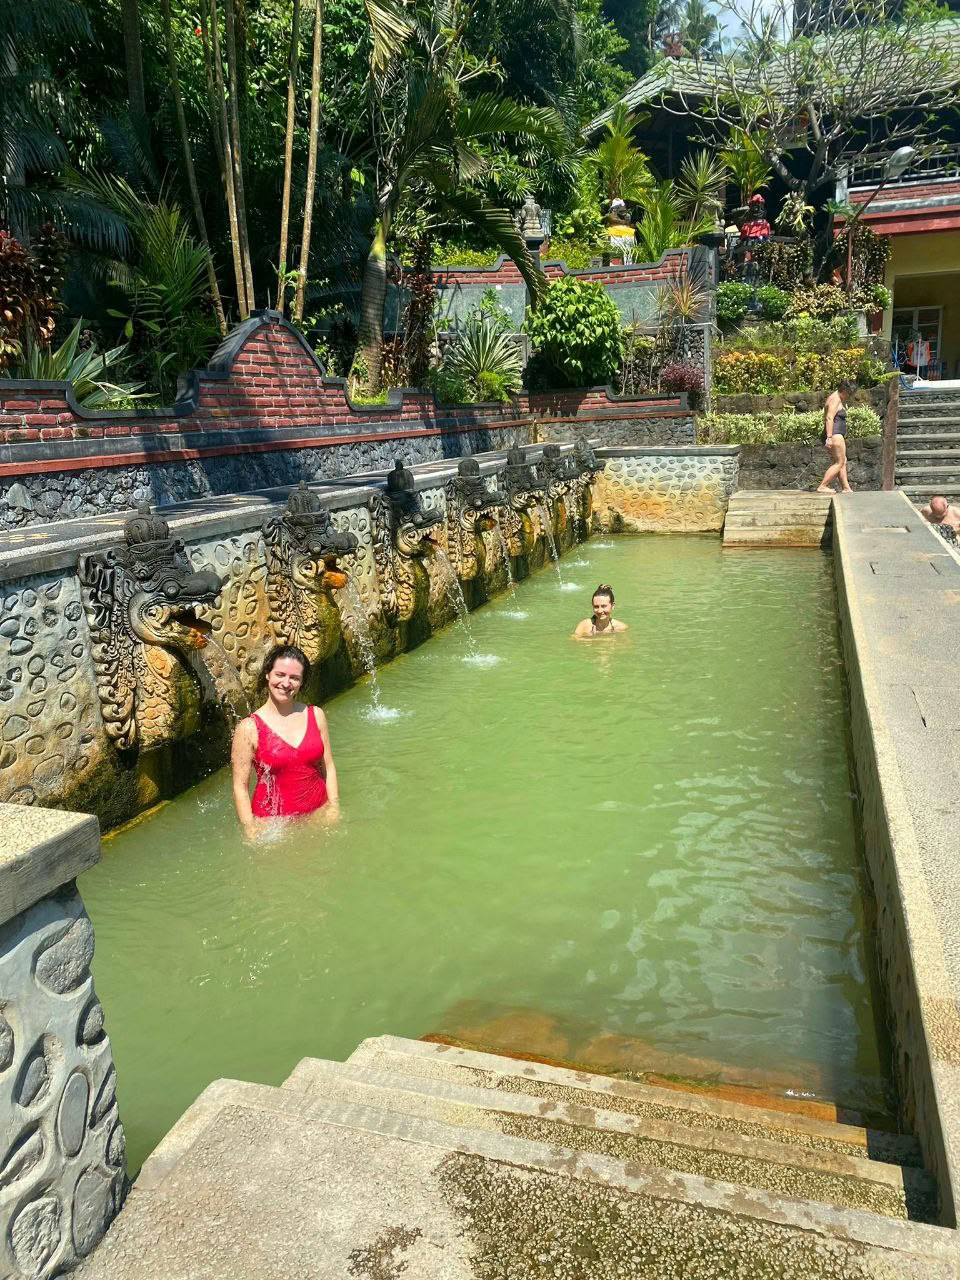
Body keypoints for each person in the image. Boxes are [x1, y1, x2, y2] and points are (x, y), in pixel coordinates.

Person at [231, 644, 339, 837]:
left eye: (294, 678)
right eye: (280, 674)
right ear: (267, 674)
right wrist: (250, 829)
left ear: (301, 682)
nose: (286, 683)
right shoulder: (248, 728)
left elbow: (328, 766)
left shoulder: (316, 715)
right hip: (274, 827)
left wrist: (334, 806)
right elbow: (240, 787)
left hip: (320, 813)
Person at [817, 381, 855, 494]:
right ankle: (823, 486)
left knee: (842, 461)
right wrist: (829, 437)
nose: (849, 397)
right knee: (839, 462)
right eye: (849, 394)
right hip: (835, 434)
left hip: (836, 434)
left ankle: (846, 487)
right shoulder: (835, 399)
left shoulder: (835, 397)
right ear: (845, 391)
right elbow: (829, 418)